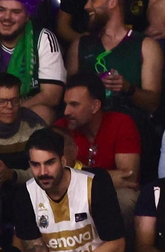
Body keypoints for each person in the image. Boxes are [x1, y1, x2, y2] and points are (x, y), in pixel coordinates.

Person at [13, 129, 128, 252]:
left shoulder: (95, 183)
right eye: (36, 165)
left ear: (64, 160)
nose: (43, 172)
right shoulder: (25, 196)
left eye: (50, 162)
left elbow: (117, 245)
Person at [69, 0, 163, 121]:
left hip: (128, 124)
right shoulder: (79, 45)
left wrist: (127, 88)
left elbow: (153, 104)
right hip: (87, 125)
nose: (87, 6)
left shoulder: (146, 45)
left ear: (112, 2)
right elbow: (67, 95)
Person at [56, 75, 141, 218]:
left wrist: (76, 172)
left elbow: (129, 178)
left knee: (127, 199)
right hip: (71, 193)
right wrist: (108, 177)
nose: (66, 112)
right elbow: (58, 175)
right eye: (66, 104)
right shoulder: (61, 128)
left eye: (74, 105)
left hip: (109, 193)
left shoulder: (121, 123)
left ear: (95, 106)